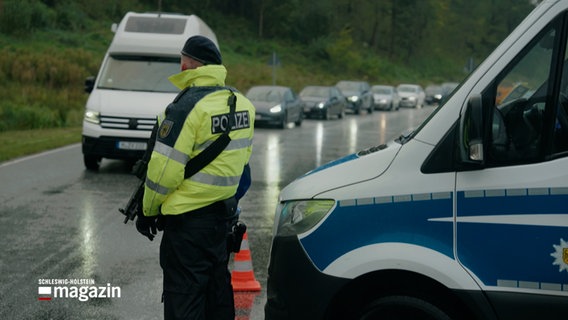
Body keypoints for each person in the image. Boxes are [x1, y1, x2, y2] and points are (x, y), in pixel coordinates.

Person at [136, 35, 255, 320]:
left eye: (182, 62)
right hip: (223, 223)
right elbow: (242, 170)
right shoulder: (242, 104)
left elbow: (163, 173)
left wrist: (147, 211)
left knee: (185, 300)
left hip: (188, 228)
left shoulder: (185, 108)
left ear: (189, 65)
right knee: (216, 295)